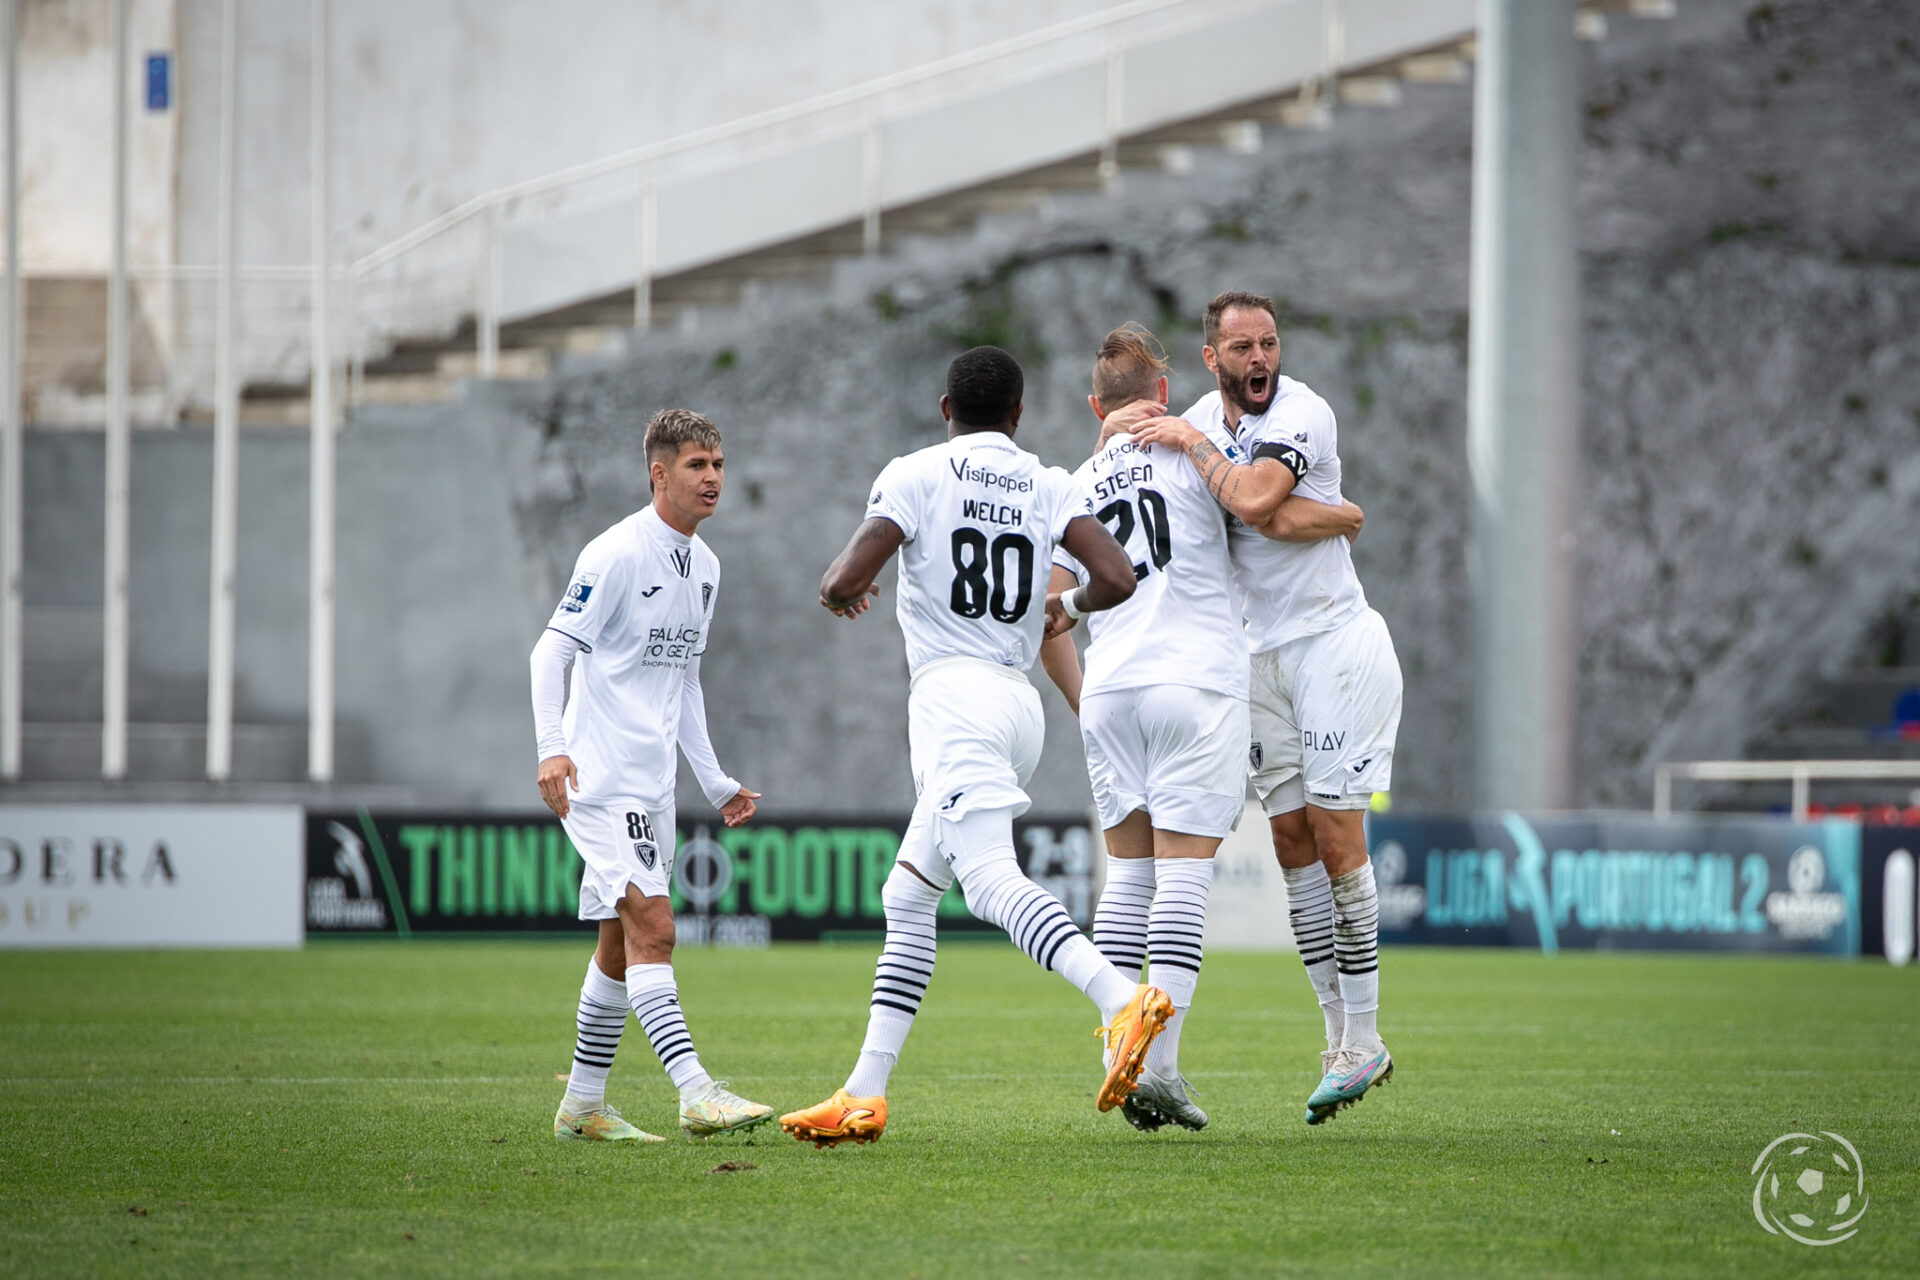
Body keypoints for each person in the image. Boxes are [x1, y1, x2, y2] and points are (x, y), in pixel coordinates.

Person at [779, 345, 1172, 1149]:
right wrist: (1067, 606)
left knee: (990, 883)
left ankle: (1119, 998)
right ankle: (864, 1092)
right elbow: (1119, 577)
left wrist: (843, 595)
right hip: (1016, 703)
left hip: (953, 700)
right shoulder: (1047, 480)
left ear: (944, 407)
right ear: (1020, 415)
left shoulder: (916, 472)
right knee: (910, 895)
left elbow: (842, 579)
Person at [1042, 323, 1360, 1132]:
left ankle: (1118, 1048)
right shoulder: (1197, 450)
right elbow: (1264, 510)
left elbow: (1050, 617)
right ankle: (1163, 1068)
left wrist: (1088, 704)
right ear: (1162, 396)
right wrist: (1341, 512)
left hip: (1111, 687)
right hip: (1196, 678)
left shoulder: (1076, 482)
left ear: (1093, 404)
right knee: (1183, 874)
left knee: (1129, 877)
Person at [1108, 291, 1403, 1125]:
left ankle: (1366, 1037)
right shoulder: (1198, 416)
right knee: (1288, 839)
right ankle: (1336, 1038)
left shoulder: (1302, 410)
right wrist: (1330, 515)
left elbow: (1250, 499)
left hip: (1333, 642)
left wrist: (1220, 466)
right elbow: (1264, 510)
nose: (1260, 358)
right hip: (1255, 655)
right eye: (1242, 347)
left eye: (1269, 342)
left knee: (1339, 834)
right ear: (1213, 358)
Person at [529, 408, 772, 1143]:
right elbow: (549, 655)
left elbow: (684, 680)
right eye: (697, 466)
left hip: (652, 783)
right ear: (658, 473)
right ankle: (696, 1092)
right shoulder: (614, 553)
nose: (713, 479)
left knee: (617, 941)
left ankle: (582, 1106)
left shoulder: (706, 567)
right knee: (656, 928)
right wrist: (551, 748)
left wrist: (714, 780)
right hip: (600, 779)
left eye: (720, 464)